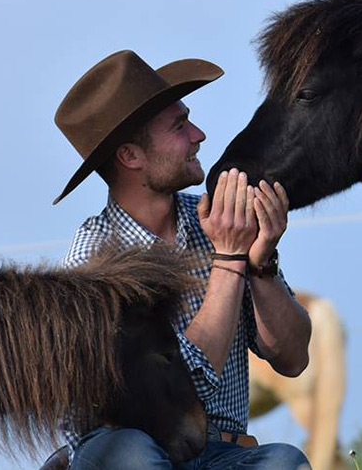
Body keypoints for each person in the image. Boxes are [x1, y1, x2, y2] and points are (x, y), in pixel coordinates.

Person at [52, 49, 312, 469]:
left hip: (221, 453)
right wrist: (229, 261)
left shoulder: (215, 219)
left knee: (284, 460)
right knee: (130, 455)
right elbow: (180, 386)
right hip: (135, 449)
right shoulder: (93, 260)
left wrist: (262, 265)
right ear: (130, 157)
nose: (199, 134)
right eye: (179, 126)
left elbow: (294, 359)